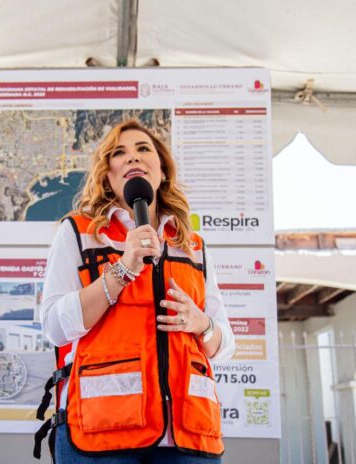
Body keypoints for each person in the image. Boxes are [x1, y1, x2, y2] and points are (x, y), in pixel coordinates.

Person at [39, 119, 236, 463]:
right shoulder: (79, 232)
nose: (132, 157)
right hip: (101, 433)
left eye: (143, 149)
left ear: (162, 170)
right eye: (119, 153)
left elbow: (226, 346)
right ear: (108, 175)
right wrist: (123, 269)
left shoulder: (193, 245)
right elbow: (55, 327)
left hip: (189, 436)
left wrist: (201, 323)